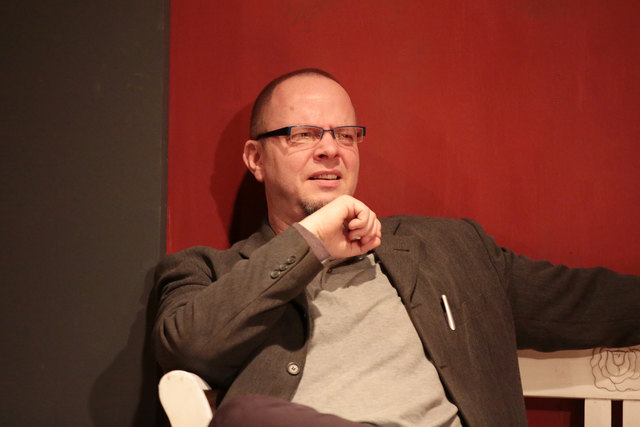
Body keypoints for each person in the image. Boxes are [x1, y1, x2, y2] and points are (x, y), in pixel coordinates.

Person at [152, 69, 640, 426]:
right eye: (303, 135)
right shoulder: (208, 272)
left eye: (345, 135)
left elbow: (582, 302)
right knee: (245, 419)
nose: (331, 149)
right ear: (256, 159)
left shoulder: (450, 250)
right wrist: (312, 241)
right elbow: (189, 346)